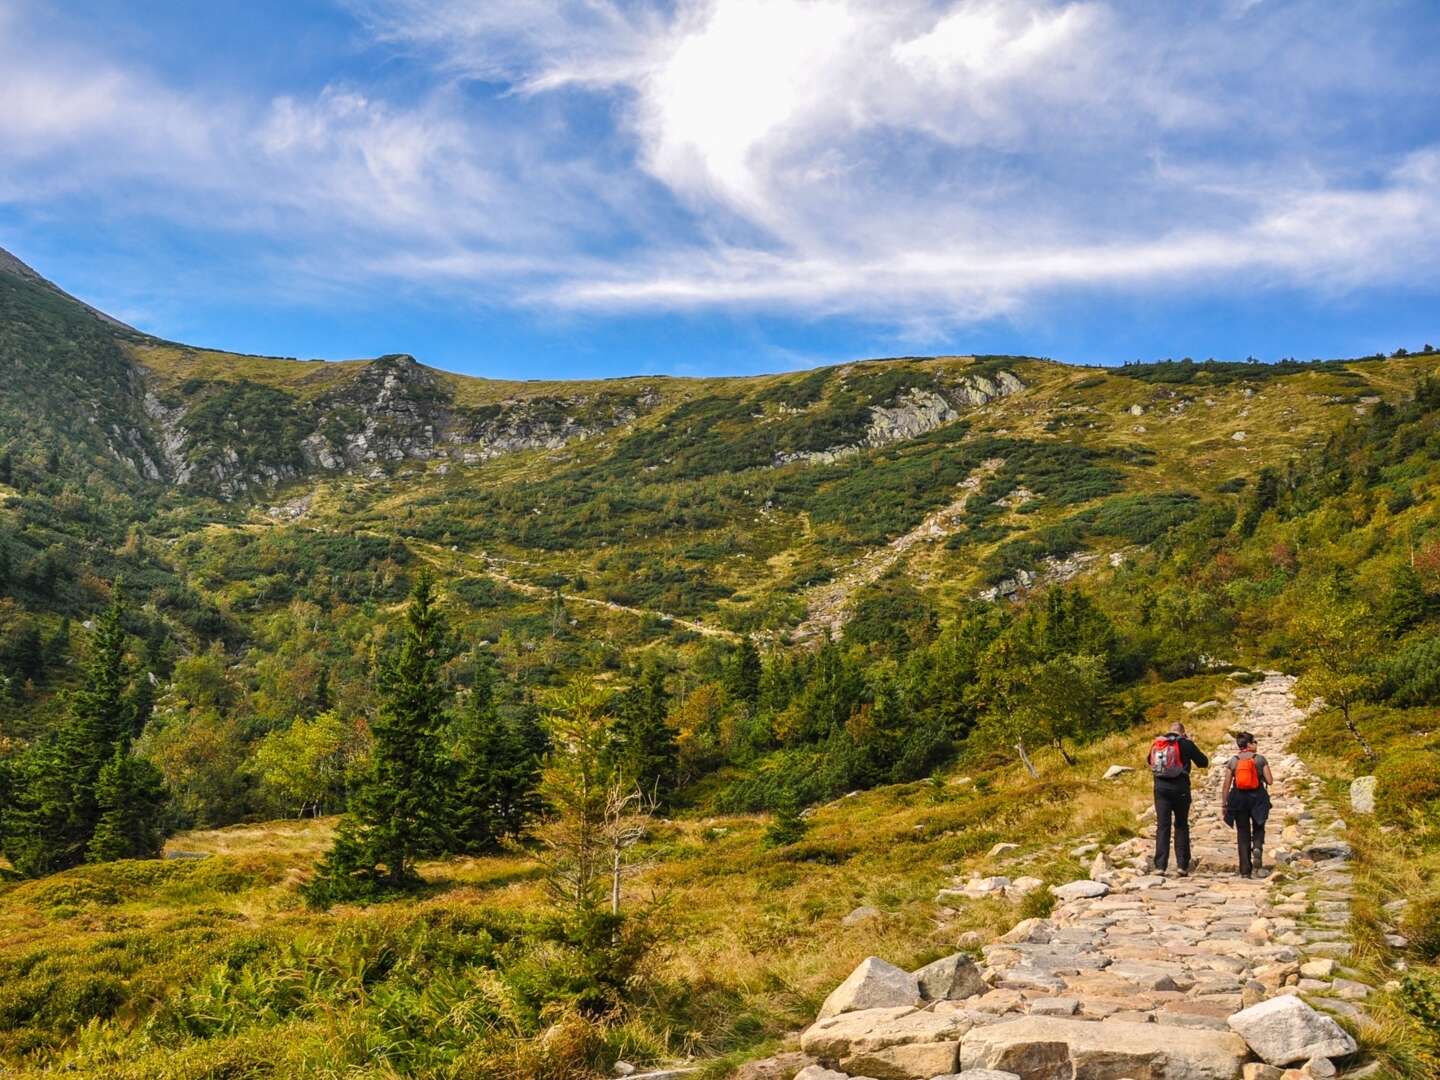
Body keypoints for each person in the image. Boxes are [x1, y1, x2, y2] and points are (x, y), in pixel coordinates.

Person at [1148, 720, 1209, 876]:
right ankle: (1182, 865)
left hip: (1161, 788)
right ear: (1183, 732)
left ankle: (1160, 866)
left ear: (1170, 730)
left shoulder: (1159, 743)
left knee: (1163, 826)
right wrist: (1189, 744)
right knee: (1181, 824)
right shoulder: (1186, 744)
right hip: (1180, 788)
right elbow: (1203, 762)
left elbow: (1149, 761)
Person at [1221, 731, 1274, 878]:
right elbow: (1270, 781)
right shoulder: (1260, 759)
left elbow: (1226, 785)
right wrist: (1260, 776)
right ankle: (1257, 846)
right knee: (1259, 825)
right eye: (1254, 742)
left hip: (1238, 798)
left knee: (1242, 833)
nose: (1256, 744)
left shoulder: (1233, 761)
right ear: (1249, 744)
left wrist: (1224, 804)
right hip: (1257, 797)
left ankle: (1245, 871)